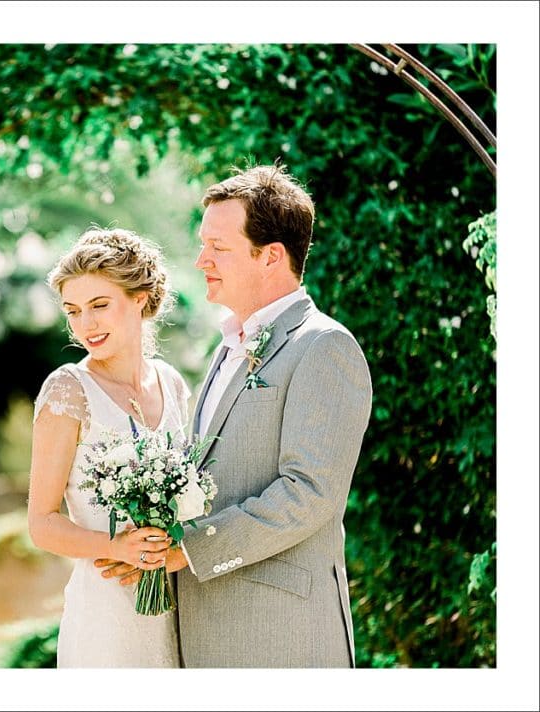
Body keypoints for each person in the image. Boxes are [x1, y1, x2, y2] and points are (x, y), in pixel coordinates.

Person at [95, 164, 373, 667]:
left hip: (280, 636)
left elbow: (308, 493)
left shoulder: (324, 347)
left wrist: (190, 550)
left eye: (218, 247)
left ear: (270, 256)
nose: (201, 260)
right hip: (204, 629)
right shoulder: (226, 349)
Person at [27, 227, 192, 667]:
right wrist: (117, 546)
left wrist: (177, 546)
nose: (86, 325)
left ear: (140, 297)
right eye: (74, 311)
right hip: (105, 617)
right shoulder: (68, 390)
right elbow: (41, 523)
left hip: (180, 607)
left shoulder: (173, 384)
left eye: (99, 305)